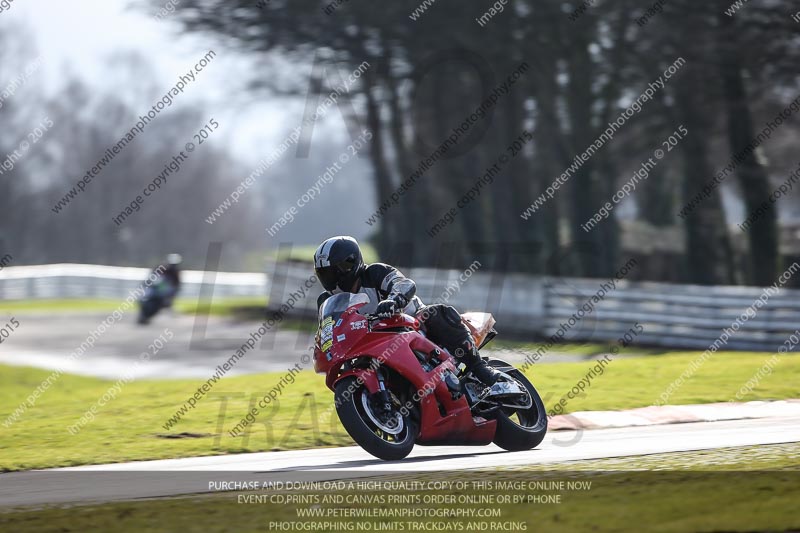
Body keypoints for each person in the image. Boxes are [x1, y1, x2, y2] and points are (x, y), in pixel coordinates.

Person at [313, 236, 503, 386]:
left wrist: (393, 300)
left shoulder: (374, 273)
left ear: (350, 264)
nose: (332, 278)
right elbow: (328, 330)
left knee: (437, 312)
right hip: (373, 343)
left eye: (334, 271)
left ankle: (480, 368)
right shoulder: (326, 300)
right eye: (325, 274)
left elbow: (403, 284)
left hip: (413, 324)